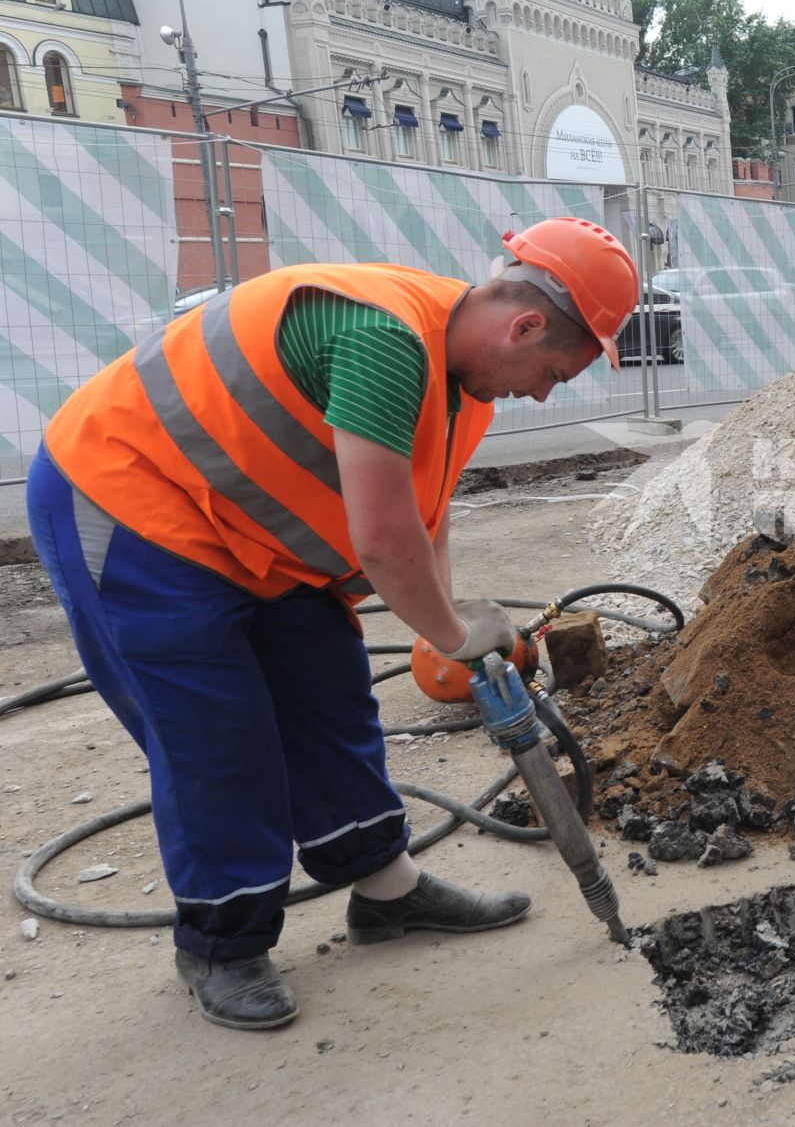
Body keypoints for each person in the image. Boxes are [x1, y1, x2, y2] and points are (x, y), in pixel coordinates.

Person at [26, 218, 638, 1030]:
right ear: (524, 325)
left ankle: (386, 892)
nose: (544, 393)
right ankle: (222, 942)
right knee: (218, 735)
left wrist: (441, 624)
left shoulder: (466, 378)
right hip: (134, 504)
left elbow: (421, 516)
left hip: (253, 531)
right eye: (554, 371)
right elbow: (383, 544)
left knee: (330, 693)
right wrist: (458, 637)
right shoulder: (385, 340)